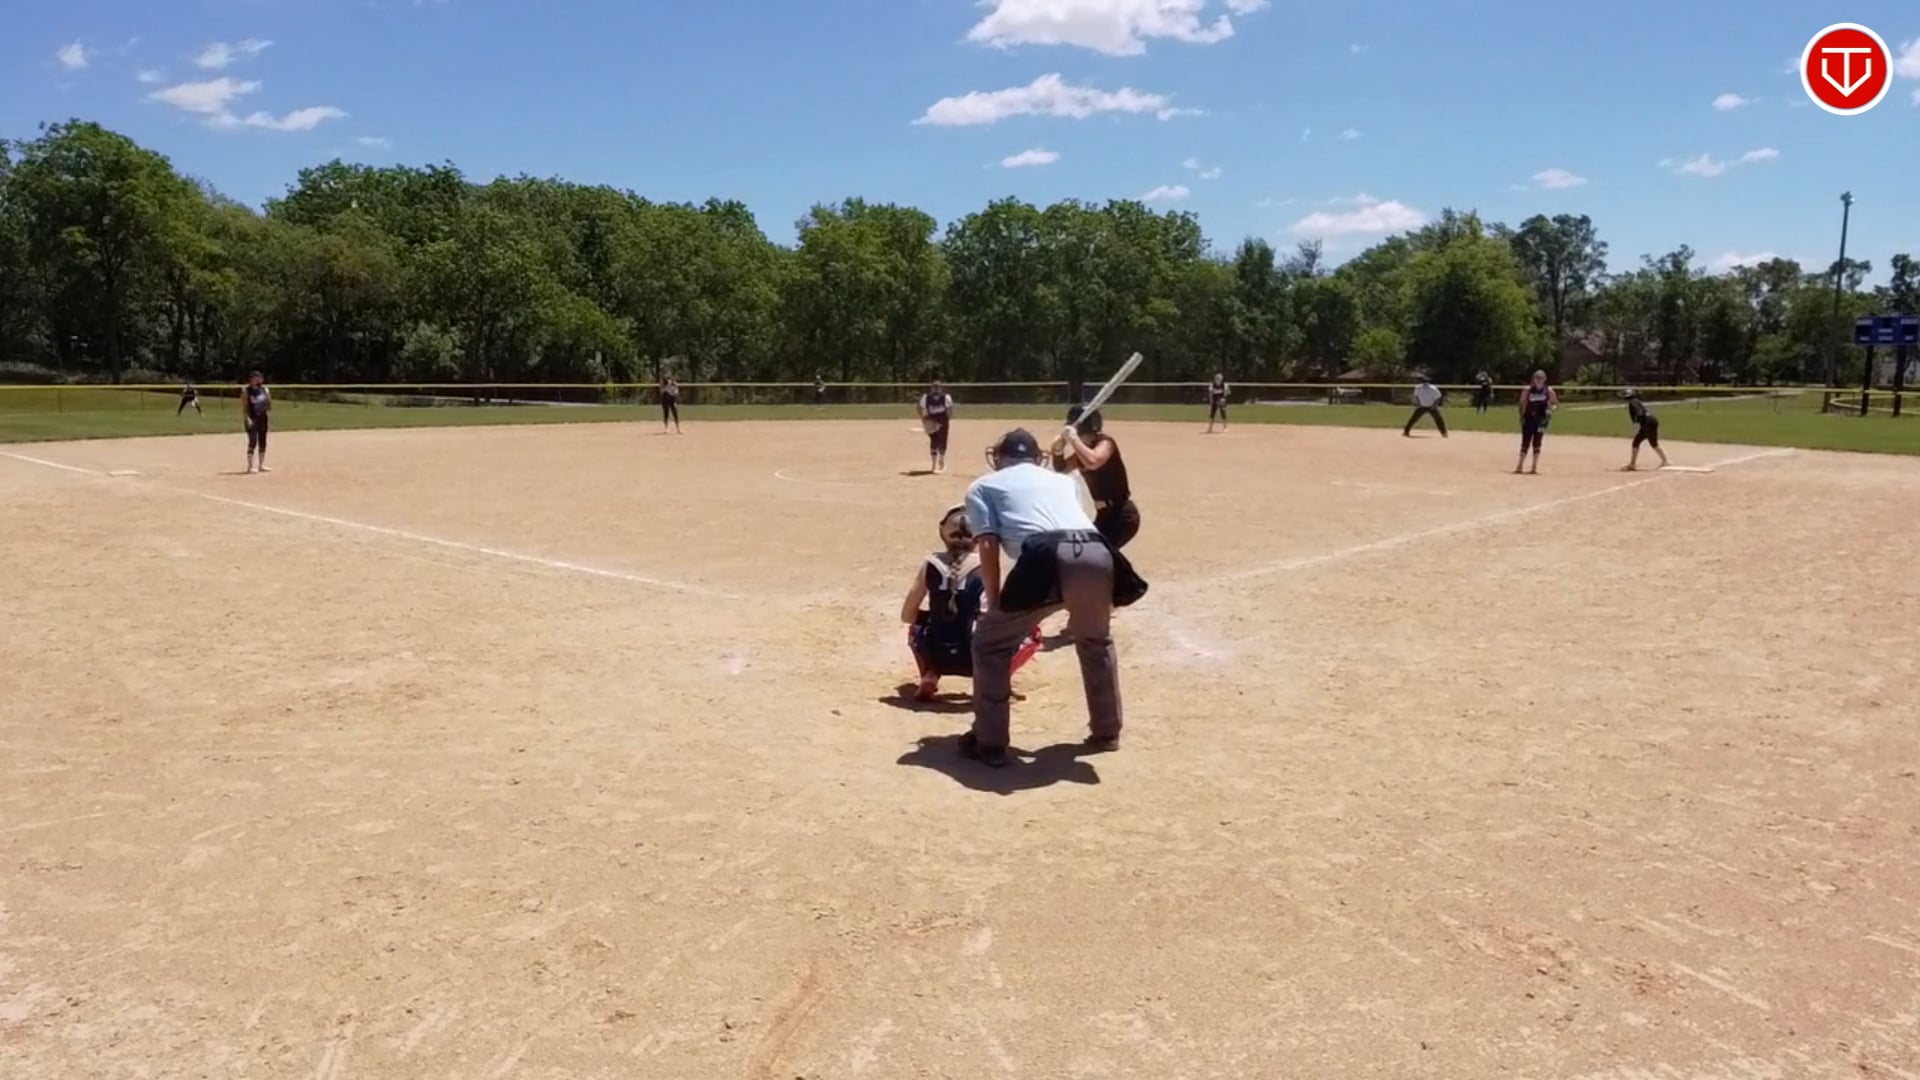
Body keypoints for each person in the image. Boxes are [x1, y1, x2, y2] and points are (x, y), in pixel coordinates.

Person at [959, 429, 1148, 768]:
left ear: (999, 457)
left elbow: (987, 544)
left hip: (1046, 556)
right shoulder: (1063, 481)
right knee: (1095, 641)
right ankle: (1107, 732)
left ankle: (989, 742)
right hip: (1097, 550)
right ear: (1037, 457)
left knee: (990, 644)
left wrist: (995, 600)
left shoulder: (983, 486)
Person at [900, 505, 1040, 701]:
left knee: (916, 628)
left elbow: (907, 615)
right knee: (1031, 632)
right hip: (975, 657)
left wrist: (935, 618)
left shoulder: (931, 564)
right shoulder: (985, 564)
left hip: (936, 653)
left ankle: (930, 673)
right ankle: (996, 679)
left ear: (942, 531)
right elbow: (994, 612)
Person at [1052, 405, 1139, 549]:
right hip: (1104, 515)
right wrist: (1058, 451)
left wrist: (1073, 439)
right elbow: (1062, 469)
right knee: (1091, 551)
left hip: (1121, 515)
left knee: (1099, 552)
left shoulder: (1106, 442)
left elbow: (1093, 461)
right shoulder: (1084, 452)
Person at [1514, 370, 1558, 474]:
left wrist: (1551, 410)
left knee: (1537, 442)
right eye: (1537, 378)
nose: (1539, 380)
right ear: (1533, 379)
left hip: (1541, 420)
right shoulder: (1527, 390)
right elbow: (1521, 404)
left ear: (1545, 379)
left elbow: (1555, 403)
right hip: (1529, 418)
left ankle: (1534, 466)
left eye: (1541, 378)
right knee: (1525, 441)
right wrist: (1521, 416)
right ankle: (1520, 465)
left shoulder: (1549, 391)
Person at [1620, 388, 1670, 471]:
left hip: (1647, 423)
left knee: (1651, 443)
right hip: (1650, 421)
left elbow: (1639, 412)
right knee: (1638, 442)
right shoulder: (1636, 401)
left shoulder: (1632, 403)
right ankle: (1633, 464)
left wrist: (1637, 420)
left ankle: (1665, 461)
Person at [917, 377, 955, 474]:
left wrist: (946, 420)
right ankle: (933, 464)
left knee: (943, 441)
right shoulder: (926, 398)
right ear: (931, 388)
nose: (936, 389)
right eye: (934, 387)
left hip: (943, 422)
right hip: (931, 421)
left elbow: (950, 410)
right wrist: (924, 419)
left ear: (941, 388)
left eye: (938, 387)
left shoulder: (946, 398)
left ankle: (941, 460)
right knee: (934, 440)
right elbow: (919, 407)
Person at [241, 371, 272, 473]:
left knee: (263, 440)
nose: (258, 379)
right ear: (251, 379)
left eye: (259, 377)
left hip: (263, 418)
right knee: (253, 441)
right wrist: (247, 418)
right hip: (252, 418)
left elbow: (268, 406)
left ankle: (261, 465)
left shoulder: (264, 390)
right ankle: (250, 466)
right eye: (255, 377)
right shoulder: (246, 391)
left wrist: (268, 396)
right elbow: (245, 407)